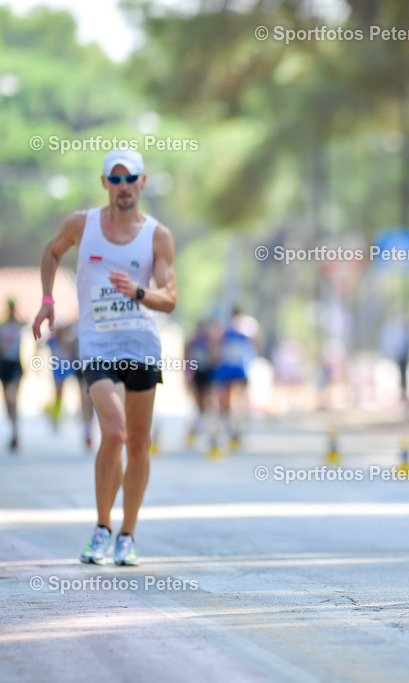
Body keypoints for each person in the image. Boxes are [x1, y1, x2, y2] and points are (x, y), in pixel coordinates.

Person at [32, 148, 177, 566]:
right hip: (97, 344)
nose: (123, 187)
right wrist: (46, 299)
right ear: (104, 185)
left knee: (137, 441)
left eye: (130, 178)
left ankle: (127, 535)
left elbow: (169, 299)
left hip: (141, 346)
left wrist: (137, 291)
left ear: (142, 182)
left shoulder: (157, 235)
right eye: (115, 179)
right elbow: (51, 252)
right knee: (112, 433)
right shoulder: (82, 224)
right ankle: (101, 527)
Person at [213, 308, 258, 451]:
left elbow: (217, 349)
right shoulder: (237, 332)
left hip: (234, 370)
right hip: (232, 370)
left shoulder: (231, 332)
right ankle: (234, 428)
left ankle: (236, 428)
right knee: (231, 402)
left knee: (233, 401)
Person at [184, 319, 215, 448]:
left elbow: (214, 356)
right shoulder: (194, 341)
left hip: (206, 372)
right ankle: (196, 430)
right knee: (200, 404)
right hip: (198, 373)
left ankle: (200, 430)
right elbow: (187, 357)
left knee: (205, 403)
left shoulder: (208, 340)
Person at [0, 298, 23, 452]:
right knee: (8, 403)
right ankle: (13, 429)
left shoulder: (20, 326)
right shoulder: (2, 327)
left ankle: (15, 433)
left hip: (16, 364)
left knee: (12, 396)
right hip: (4, 365)